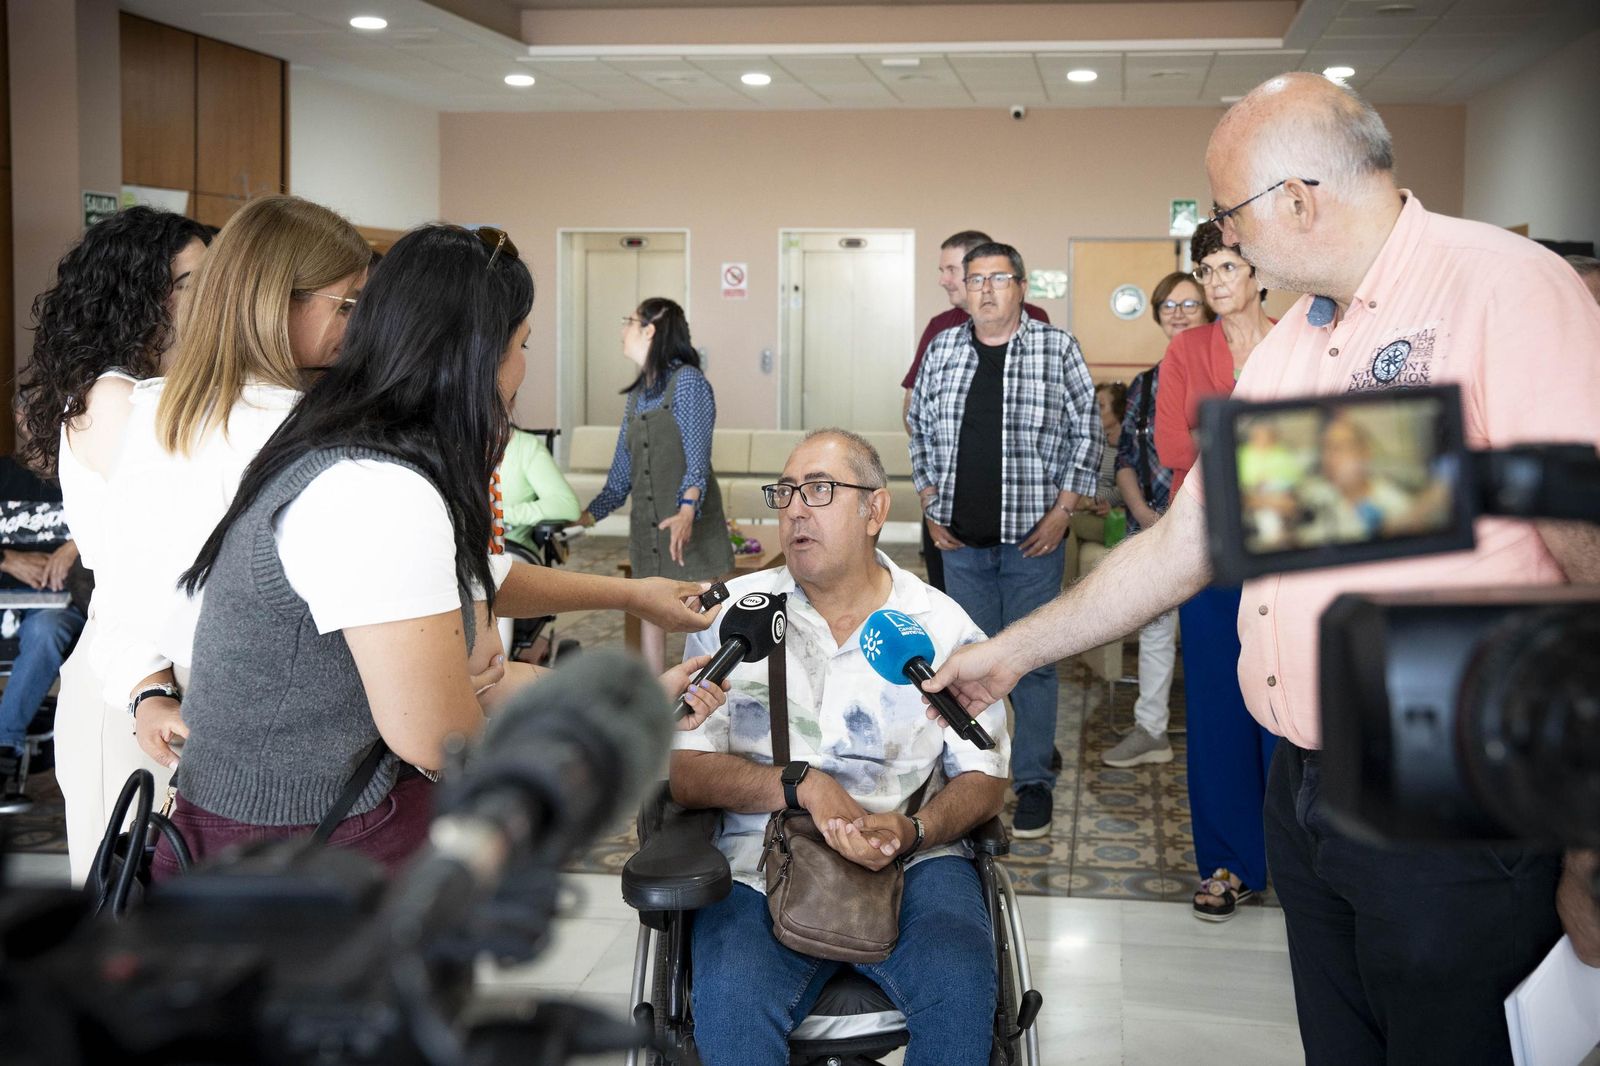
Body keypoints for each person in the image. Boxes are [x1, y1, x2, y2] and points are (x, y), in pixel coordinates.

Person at [924, 72, 1600, 1065]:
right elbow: (1184, 543)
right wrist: (1007, 654)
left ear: (1298, 198)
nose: (1220, 240)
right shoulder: (1303, 338)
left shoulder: (1497, 289)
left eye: (1225, 213)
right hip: (1311, 792)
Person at [145, 226, 725, 876]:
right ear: (477, 356)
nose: (523, 366)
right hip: (286, 856)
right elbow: (441, 734)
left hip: (292, 831)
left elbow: (483, 671)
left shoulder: (360, 451)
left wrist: (630, 684)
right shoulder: (378, 491)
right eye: (522, 343)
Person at [671, 428, 1009, 1066]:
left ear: (875, 510)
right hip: (757, 856)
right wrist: (799, 785)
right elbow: (686, 774)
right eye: (786, 493)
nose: (795, 508)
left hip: (913, 858)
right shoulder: (734, 617)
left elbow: (986, 774)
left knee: (960, 985)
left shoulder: (940, 627)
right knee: (731, 1002)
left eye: (819, 490)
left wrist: (913, 829)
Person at [12, 205, 210, 882]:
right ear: (142, 293)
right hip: (127, 674)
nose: (207, 297)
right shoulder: (116, 396)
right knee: (118, 909)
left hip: (158, 667)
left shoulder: (156, 392)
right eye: (190, 281)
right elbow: (157, 556)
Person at [907, 241, 1101, 840]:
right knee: (967, 664)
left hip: (1031, 543)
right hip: (959, 544)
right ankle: (975, 775)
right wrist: (929, 503)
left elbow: (1087, 431)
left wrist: (1065, 510)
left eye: (999, 279)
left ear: (1021, 287)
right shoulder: (941, 350)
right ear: (962, 289)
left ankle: (1034, 780)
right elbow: (918, 430)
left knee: (1034, 665)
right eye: (975, 280)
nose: (986, 290)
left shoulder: (1055, 348)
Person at [1152, 220, 1280, 921]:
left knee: (1290, 708)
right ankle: (1230, 862)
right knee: (1217, 707)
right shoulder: (1187, 350)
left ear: (1258, 272)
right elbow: (1174, 444)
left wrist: (1220, 436)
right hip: (1204, 551)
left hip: (1289, 554)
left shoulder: (1304, 339)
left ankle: (1294, 858)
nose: (1216, 282)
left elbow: (1321, 443)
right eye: (1206, 272)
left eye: (1228, 267)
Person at [580, 298, 733, 671]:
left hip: (689, 530)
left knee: (706, 621)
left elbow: (697, 459)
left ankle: (713, 699)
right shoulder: (637, 395)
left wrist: (685, 511)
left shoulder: (689, 383)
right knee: (650, 614)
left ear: (650, 329)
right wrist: (582, 518)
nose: (622, 331)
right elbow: (620, 476)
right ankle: (656, 705)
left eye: (627, 322)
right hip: (648, 529)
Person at [900, 230, 1050, 591]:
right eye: (947, 271)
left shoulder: (1036, 321)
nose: (943, 279)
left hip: (1024, 510)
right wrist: (934, 489)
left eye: (951, 269)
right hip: (950, 507)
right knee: (952, 606)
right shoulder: (941, 329)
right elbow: (914, 413)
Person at [1099, 272, 1207, 770]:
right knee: (1157, 630)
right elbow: (1126, 459)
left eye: (1189, 303)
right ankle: (1151, 730)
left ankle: (1224, 735)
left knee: (1220, 635)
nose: (1178, 313)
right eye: (1168, 305)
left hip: (1214, 529)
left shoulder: (1229, 370)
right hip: (1156, 525)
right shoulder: (1145, 384)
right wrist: (1142, 512)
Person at [0, 455, 88, 787]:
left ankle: (4, 745)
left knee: (46, 631)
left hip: (59, 601)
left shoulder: (84, 469)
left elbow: (123, 517)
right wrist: (8, 559)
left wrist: (75, 545)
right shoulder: (5, 473)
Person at [499, 428, 580, 547]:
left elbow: (566, 504)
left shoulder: (526, 446)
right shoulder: (462, 444)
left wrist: (500, 515)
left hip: (511, 551)